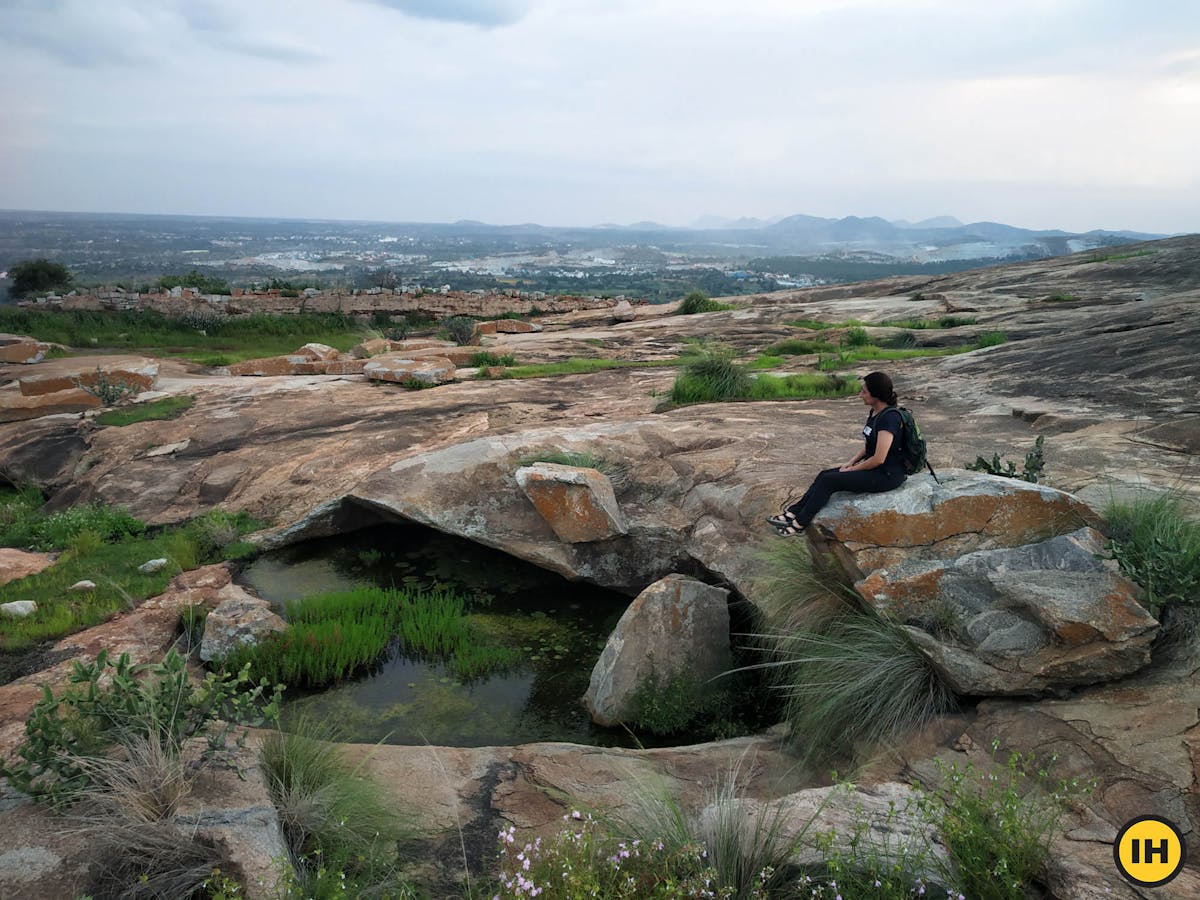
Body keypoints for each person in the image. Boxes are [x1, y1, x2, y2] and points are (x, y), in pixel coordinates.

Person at [767, 371, 907, 535]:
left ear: (876, 395)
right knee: (824, 474)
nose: (860, 394)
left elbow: (878, 458)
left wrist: (854, 469)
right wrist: (850, 462)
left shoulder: (889, 419)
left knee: (829, 481)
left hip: (887, 475)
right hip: (875, 470)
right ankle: (793, 512)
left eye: (864, 391)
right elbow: (870, 446)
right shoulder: (875, 413)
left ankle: (799, 524)